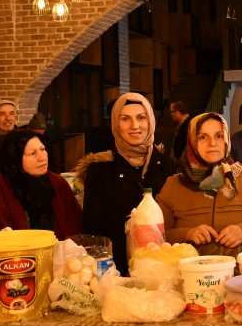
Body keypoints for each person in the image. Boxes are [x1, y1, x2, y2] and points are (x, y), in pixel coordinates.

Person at [76, 93, 177, 275]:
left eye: (141, 117)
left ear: (151, 121)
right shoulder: (100, 171)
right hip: (118, 275)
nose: (135, 126)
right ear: (115, 124)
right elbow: (95, 234)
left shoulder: (167, 167)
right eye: (125, 119)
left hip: (165, 273)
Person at [157, 112, 242, 255]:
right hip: (190, 274)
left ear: (226, 140)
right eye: (203, 137)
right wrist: (187, 234)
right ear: (192, 141)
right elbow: (156, 235)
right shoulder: (173, 186)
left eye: (219, 136)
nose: (212, 143)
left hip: (241, 274)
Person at [0, 129, 82, 239]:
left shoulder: (58, 184)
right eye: (33, 153)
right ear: (15, 159)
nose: (42, 158)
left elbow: (76, 227)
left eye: (43, 149)